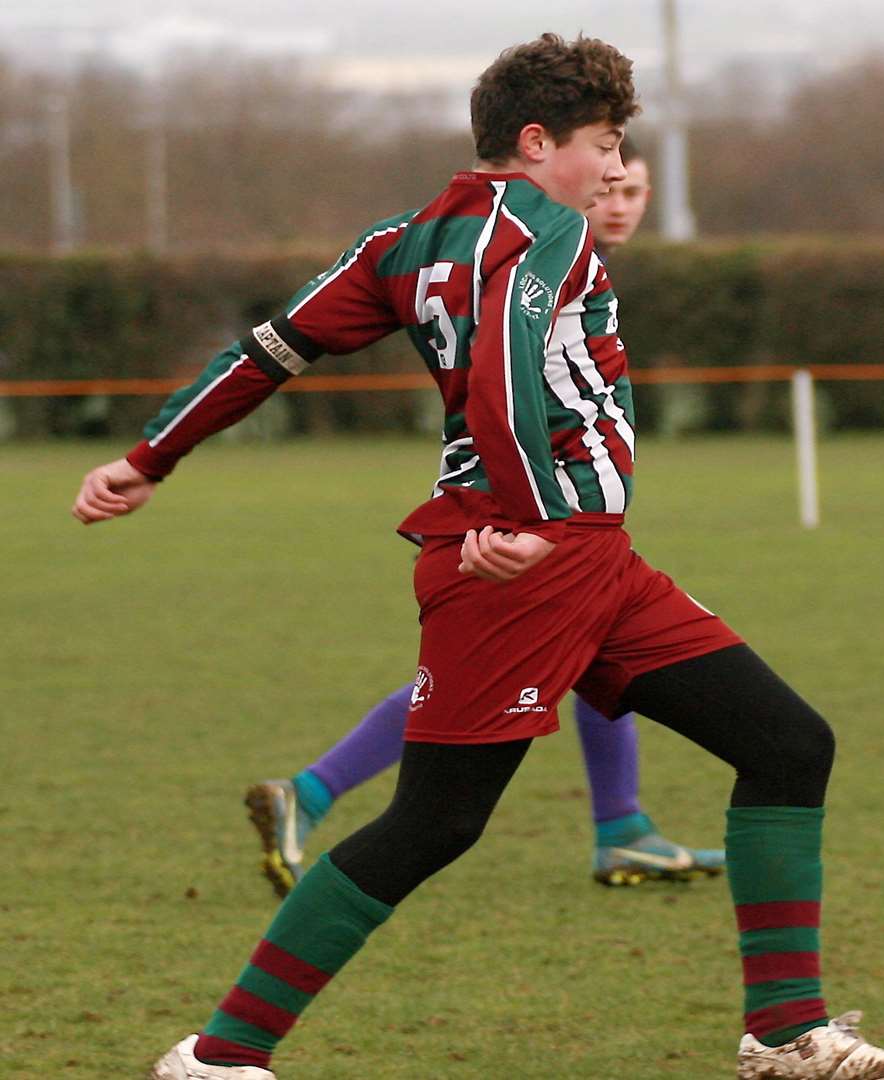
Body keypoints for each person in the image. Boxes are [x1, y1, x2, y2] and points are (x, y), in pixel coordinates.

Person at [72, 33, 884, 1080]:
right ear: (536, 143)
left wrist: (150, 456)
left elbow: (270, 347)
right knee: (435, 820)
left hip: (594, 561)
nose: (613, 169)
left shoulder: (400, 239)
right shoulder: (545, 232)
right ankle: (221, 1056)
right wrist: (530, 516)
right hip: (527, 555)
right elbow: (503, 365)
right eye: (603, 144)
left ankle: (787, 1036)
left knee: (788, 743)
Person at [241, 147, 720, 897]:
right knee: (476, 690)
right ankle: (312, 793)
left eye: (636, 190)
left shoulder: (552, 253)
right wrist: (541, 508)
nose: (620, 200)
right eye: (612, 184)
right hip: (518, 514)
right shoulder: (535, 253)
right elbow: (505, 385)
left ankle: (623, 828)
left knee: (584, 643)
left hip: (544, 512)